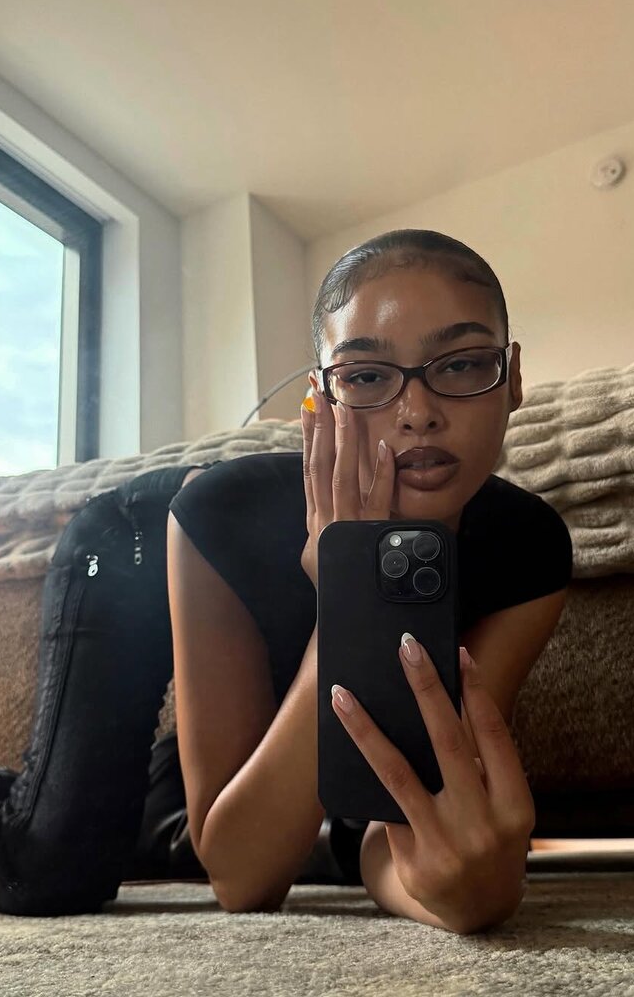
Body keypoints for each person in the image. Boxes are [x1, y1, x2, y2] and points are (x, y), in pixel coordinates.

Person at [164, 228, 572, 931]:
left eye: (462, 364)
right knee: (51, 854)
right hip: (134, 544)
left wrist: (455, 898)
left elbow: (404, 825)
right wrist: (349, 598)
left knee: (329, 842)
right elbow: (241, 878)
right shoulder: (221, 513)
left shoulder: (528, 549)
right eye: (366, 377)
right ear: (320, 400)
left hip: (304, 791)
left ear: (512, 380)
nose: (418, 413)